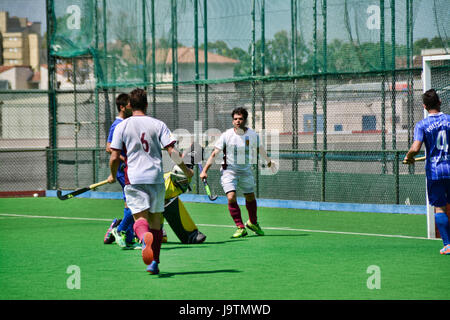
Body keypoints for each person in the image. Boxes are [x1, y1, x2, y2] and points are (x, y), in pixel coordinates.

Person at [108, 88, 193, 274]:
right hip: (155, 178)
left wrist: (113, 175)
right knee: (156, 222)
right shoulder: (158, 124)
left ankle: (143, 238)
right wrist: (186, 171)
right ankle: (154, 262)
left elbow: (114, 157)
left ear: (129, 106)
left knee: (140, 219)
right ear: (147, 104)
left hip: (135, 178)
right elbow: (172, 152)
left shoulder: (122, 126)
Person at [200, 107, 276, 238]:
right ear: (232, 121)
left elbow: (260, 149)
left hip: (246, 171)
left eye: (240, 119)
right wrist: (205, 171)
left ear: (245, 120)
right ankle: (240, 227)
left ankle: (253, 223)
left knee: (250, 197)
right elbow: (214, 153)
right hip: (229, 171)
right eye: (235, 119)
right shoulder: (226, 135)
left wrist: (269, 161)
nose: (238, 121)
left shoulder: (252, 135)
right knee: (231, 197)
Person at [404, 89, 450, 255]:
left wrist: (409, 156)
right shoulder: (449, 120)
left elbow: (416, 148)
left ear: (424, 106)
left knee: (440, 208)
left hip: (435, 171)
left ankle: (448, 245)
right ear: (440, 102)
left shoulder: (422, 125)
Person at [104, 93, 141, 250]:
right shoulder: (117, 124)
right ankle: (119, 230)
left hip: (128, 170)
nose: (131, 107)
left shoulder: (126, 123)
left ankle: (129, 236)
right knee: (134, 203)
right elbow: (109, 147)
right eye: (128, 105)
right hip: (122, 170)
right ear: (122, 107)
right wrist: (125, 160)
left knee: (130, 203)